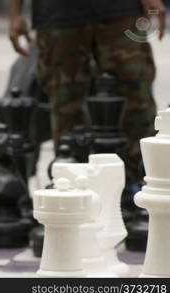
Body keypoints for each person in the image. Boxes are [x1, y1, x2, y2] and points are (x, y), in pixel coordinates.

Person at [9, 0, 166, 181]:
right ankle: (73, 186)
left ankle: (143, 184)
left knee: (136, 100)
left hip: (120, 11)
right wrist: (15, 14)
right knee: (66, 105)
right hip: (58, 14)